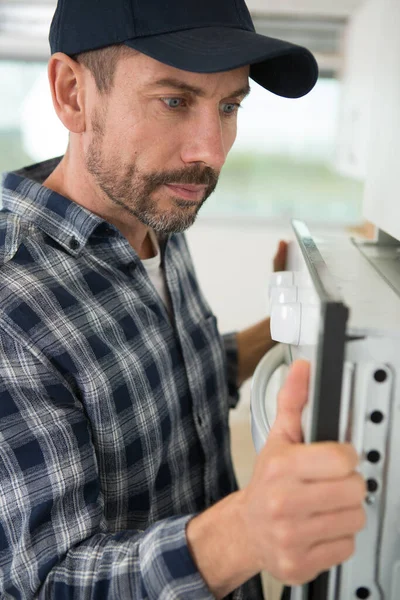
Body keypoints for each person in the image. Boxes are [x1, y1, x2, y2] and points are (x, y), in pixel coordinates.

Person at [0, 0, 366, 598]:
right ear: (72, 93)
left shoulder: (158, 216)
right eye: (174, 101)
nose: (211, 152)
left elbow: (178, 386)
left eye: (228, 106)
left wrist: (288, 325)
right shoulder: (12, 304)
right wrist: (244, 533)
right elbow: (46, 585)